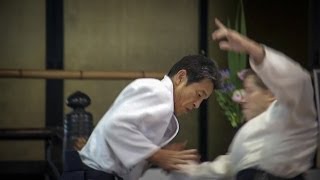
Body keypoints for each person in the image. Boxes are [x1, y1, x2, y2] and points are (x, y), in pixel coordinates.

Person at [172, 18, 318, 180]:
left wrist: (253, 49)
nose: (243, 99)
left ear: (271, 94)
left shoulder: (294, 112)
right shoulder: (248, 134)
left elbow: (299, 81)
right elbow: (223, 168)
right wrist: (181, 166)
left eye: (249, 91)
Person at [60, 54, 221, 180]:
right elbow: (115, 127)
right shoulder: (158, 91)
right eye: (198, 94)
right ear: (180, 77)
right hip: (92, 174)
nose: (197, 105)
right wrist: (157, 155)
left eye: (202, 100)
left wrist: (160, 154)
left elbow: (126, 136)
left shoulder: (163, 101)